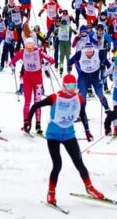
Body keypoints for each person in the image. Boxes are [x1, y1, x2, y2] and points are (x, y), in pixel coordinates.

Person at [26, 73, 104, 205]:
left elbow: (83, 114)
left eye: (74, 86)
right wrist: (28, 121)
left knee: (79, 162)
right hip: (53, 135)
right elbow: (35, 106)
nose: (72, 89)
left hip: (69, 135)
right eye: (69, 86)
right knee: (57, 164)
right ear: (64, 86)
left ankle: (89, 187)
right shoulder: (55, 97)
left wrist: (87, 131)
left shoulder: (78, 98)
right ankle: (51, 192)